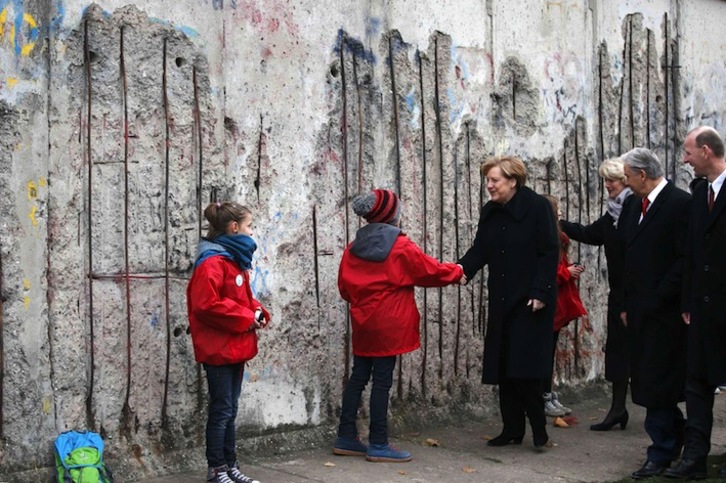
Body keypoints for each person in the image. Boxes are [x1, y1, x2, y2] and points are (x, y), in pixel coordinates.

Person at [334, 189, 464, 463]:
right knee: (382, 383)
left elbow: (344, 288)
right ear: (393, 215)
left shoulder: (353, 247)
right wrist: (458, 272)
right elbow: (429, 271)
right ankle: (378, 443)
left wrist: (362, 301)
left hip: (363, 323)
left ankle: (346, 436)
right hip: (390, 323)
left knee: (359, 376)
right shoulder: (400, 246)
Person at [458, 156, 559, 450]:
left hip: (530, 301)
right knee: (504, 367)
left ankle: (539, 429)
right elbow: (480, 249)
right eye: (487, 180)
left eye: (495, 180)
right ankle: (511, 429)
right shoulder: (491, 211)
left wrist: (541, 292)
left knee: (524, 369)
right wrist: (461, 270)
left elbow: (548, 252)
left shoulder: (537, 207)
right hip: (502, 298)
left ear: (513, 181)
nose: (489, 186)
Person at [618, 148, 690, 480]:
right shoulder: (633, 204)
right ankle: (682, 434)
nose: (625, 183)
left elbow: (683, 258)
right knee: (646, 379)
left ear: (642, 175)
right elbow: (625, 254)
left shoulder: (679, 203)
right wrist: (624, 302)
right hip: (637, 310)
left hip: (665, 311)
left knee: (659, 380)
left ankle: (660, 451)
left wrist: (661, 295)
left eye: (627, 176)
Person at [187, 201, 269, 483]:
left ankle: (230, 466)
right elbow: (207, 305)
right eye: (248, 226)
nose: (251, 231)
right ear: (234, 228)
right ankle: (216, 470)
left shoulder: (232, 260)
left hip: (233, 346)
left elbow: (241, 300)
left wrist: (256, 311)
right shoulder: (212, 263)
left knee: (230, 409)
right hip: (218, 349)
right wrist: (246, 316)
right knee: (221, 410)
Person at [663, 126, 726, 480]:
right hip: (701, 309)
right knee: (697, 384)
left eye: (688, 153)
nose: (685, 160)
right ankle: (694, 459)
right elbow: (691, 253)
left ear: (705, 151)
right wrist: (687, 301)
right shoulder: (699, 192)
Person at [560, 158, 633, 431]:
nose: (606, 186)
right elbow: (591, 233)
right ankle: (617, 409)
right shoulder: (612, 214)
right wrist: (560, 222)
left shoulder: (636, 208)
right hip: (619, 293)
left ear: (625, 181)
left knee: (645, 352)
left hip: (639, 292)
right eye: (604, 181)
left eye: (610, 180)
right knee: (617, 351)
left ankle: (665, 414)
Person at [541, 194, 587, 418]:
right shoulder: (545, 238)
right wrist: (565, 272)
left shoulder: (558, 237)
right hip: (551, 301)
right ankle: (543, 396)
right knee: (544, 352)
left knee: (549, 351)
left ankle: (547, 393)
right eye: (557, 210)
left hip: (559, 300)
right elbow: (544, 271)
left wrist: (570, 270)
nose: (561, 214)